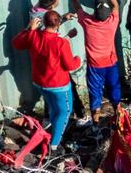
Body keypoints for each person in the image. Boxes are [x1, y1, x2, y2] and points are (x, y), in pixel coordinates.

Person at [11, 10, 81, 154]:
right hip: (59, 85)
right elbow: (70, 65)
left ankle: (48, 133)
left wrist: (28, 28)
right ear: (58, 25)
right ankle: (54, 146)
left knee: (55, 109)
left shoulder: (34, 36)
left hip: (40, 83)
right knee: (65, 111)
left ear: (42, 22)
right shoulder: (60, 42)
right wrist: (78, 59)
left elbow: (16, 43)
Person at [64, 0, 121, 124]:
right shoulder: (112, 22)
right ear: (108, 13)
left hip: (95, 67)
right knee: (115, 92)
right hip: (111, 64)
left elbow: (75, 2)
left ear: (94, 12)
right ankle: (118, 119)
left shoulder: (87, 22)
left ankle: (95, 125)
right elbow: (116, 6)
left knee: (95, 94)